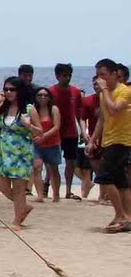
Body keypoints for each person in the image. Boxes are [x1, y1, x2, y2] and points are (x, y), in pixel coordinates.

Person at [0, 78, 43, 231]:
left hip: (21, 153)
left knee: (19, 188)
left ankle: (17, 220)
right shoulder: (3, 108)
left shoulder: (29, 108)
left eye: (12, 89)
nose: (9, 92)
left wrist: (28, 125)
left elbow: (40, 132)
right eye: (6, 89)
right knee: (2, 186)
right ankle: (23, 207)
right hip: (5, 152)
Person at [92, 59, 131, 234]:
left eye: (104, 75)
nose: (100, 79)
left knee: (104, 176)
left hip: (122, 140)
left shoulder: (124, 91)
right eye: (98, 75)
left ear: (115, 74)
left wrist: (106, 90)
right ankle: (125, 217)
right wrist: (93, 138)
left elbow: (115, 109)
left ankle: (121, 215)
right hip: (108, 139)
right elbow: (103, 117)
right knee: (119, 181)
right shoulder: (103, 94)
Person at [49, 64, 86, 201]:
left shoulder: (75, 91)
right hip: (55, 132)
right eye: (64, 75)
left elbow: (79, 113)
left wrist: (82, 130)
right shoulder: (51, 92)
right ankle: (53, 189)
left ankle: (69, 190)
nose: (67, 78)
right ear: (57, 76)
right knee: (52, 163)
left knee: (70, 162)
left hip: (71, 133)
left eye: (69, 75)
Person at [30, 86, 62, 202]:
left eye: (45, 95)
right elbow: (29, 126)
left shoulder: (53, 109)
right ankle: (40, 195)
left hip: (52, 143)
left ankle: (56, 195)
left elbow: (56, 127)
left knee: (53, 169)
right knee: (37, 168)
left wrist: (43, 136)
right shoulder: (33, 110)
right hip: (37, 144)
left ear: (49, 97)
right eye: (40, 95)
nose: (42, 97)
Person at [76, 87, 101, 203]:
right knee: (77, 169)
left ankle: (88, 193)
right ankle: (89, 185)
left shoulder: (90, 107)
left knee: (88, 170)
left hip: (92, 141)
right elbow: (81, 120)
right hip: (81, 143)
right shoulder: (80, 108)